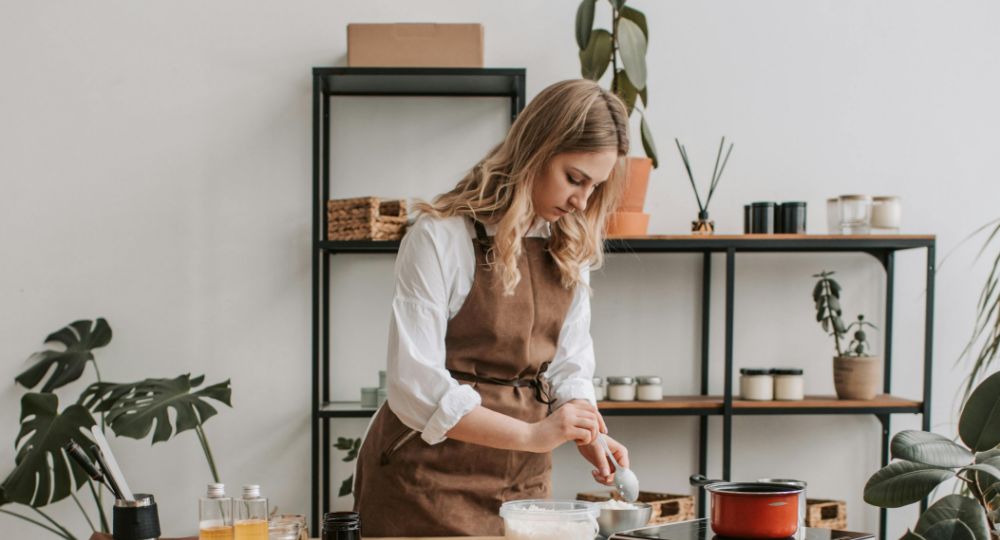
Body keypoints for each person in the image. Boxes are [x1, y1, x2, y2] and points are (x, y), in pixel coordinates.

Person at [353, 79, 632, 537]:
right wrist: (531, 435)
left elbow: (569, 365)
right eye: (575, 178)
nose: (582, 201)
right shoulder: (440, 238)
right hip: (423, 485)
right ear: (536, 150)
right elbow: (414, 384)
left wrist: (584, 426)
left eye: (595, 187)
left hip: (521, 487)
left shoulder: (567, 249)